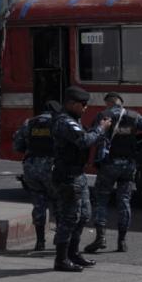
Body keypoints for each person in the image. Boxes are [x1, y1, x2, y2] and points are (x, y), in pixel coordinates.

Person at [84, 93, 142, 254]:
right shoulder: (135, 116)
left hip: (109, 164)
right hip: (129, 164)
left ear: (109, 103)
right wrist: (140, 149)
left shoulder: (104, 115)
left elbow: (93, 136)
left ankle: (100, 238)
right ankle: (122, 241)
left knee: (101, 199)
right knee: (124, 201)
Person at [52, 87, 111, 272]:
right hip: (67, 175)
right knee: (70, 218)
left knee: (84, 215)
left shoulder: (73, 120)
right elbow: (84, 141)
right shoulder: (64, 122)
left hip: (78, 174)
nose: (85, 108)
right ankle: (61, 259)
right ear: (70, 103)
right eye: (82, 104)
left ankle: (73, 254)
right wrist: (100, 129)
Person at [12, 100, 63, 251]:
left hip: (31, 168)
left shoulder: (29, 123)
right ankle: (59, 239)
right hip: (51, 168)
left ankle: (40, 242)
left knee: (38, 204)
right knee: (59, 203)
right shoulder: (57, 123)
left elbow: (17, 146)